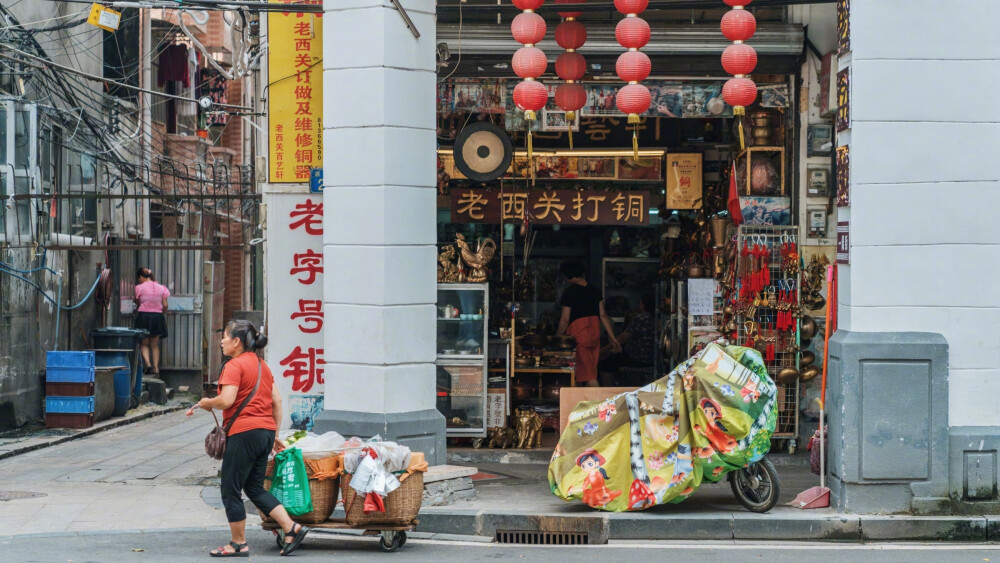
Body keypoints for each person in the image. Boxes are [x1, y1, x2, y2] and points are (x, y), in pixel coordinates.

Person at [191, 320, 309, 557]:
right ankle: (291, 527)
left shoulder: (233, 366)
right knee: (253, 487)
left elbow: (226, 400)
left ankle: (238, 543)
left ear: (236, 342)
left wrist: (206, 403)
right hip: (263, 433)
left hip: (244, 433)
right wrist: (273, 434)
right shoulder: (262, 365)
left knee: (230, 488)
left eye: (225, 336)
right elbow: (276, 401)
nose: (221, 341)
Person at [555, 260, 620, 387]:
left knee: (589, 375)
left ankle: (598, 404)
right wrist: (613, 337)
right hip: (594, 335)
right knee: (583, 371)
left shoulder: (569, 292)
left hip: (578, 336)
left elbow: (565, 319)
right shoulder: (594, 290)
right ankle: (581, 403)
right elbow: (603, 315)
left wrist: (556, 336)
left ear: (569, 275)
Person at [598, 294, 655, 386]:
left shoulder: (641, 318)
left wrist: (603, 351)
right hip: (649, 357)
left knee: (605, 363)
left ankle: (607, 391)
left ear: (642, 304)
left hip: (637, 357)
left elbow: (622, 338)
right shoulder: (653, 317)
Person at [133, 267, 169, 375]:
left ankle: (148, 365)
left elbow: (137, 302)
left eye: (138, 278)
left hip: (144, 316)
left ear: (140, 277)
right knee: (154, 344)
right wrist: (162, 313)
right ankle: (156, 368)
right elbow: (165, 305)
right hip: (157, 317)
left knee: (144, 343)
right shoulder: (162, 288)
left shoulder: (139, 288)